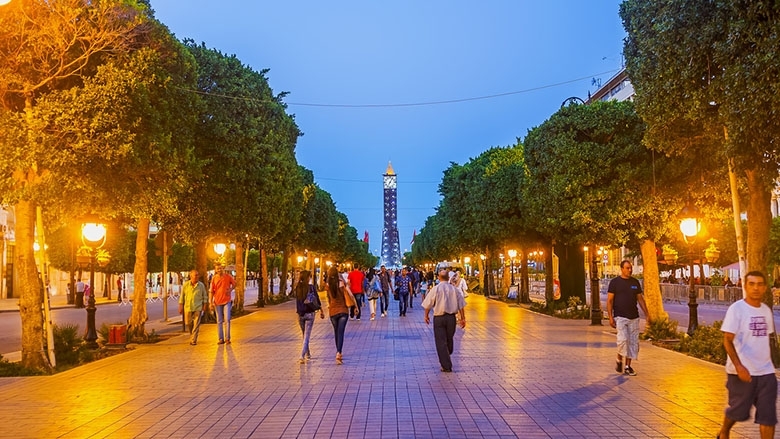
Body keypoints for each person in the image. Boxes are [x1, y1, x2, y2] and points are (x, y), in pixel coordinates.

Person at [718, 270, 777, 439]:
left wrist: (769, 364)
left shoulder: (766, 311)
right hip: (741, 373)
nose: (756, 288)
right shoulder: (737, 309)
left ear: (765, 287)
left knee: (768, 417)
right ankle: (724, 431)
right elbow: (727, 340)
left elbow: (764, 339)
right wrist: (739, 366)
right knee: (738, 412)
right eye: (751, 284)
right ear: (744, 286)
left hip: (766, 373)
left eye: (759, 284)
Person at [606, 260, 650, 376]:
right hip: (620, 316)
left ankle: (627, 366)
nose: (629, 270)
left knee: (632, 341)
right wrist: (610, 317)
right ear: (622, 269)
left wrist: (646, 313)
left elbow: (640, 299)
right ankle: (619, 358)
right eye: (627, 268)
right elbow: (610, 301)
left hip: (633, 317)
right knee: (623, 339)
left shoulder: (635, 282)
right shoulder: (615, 283)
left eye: (630, 268)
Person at [422, 269, 466, 372]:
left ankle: (446, 362)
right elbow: (461, 305)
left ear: (438, 277)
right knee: (449, 338)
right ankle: (447, 361)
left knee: (441, 341)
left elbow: (428, 303)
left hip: (439, 318)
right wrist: (463, 318)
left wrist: (426, 315)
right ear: (448, 278)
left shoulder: (436, 289)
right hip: (451, 318)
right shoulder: (454, 290)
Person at [295, 270, 324, 364]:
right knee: (306, 336)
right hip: (310, 313)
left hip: (300, 314)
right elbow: (317, 299)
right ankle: (302, 355)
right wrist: (321, 309)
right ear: (308, 278)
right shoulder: (311, 288)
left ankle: (308, 354)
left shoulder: (298, 287)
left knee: (304, 335)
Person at [324, 266, 351, 364]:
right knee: (341, 332)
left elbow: (328, 298)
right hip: (343, 310)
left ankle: (338, 351)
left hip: (333, 311)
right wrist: (355, 305)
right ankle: (339, 352)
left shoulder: (328, 285)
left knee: (336, 332)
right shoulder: (341, 283)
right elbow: (349, 294)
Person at [179, 269, 208, 346]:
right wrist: (181, 306)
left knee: (196, 324)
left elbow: (205, 296)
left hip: (198, 307)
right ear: (191, 276)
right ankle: (192, 334)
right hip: (188, 307)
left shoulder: (201, 285)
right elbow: (182, 296)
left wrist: (205, 305)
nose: (197, 276)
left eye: (198, 275)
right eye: (195, 275)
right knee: (188, 323)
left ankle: (193, 339)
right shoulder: (186, 285)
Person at [210, 263, 236, 345]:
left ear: (223, 268)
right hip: (217, 302)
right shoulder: (214, 278)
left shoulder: (228, 277)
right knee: (219, 320)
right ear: (215, 270)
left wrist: (230, 289)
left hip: (226, 301)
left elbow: (234, 284)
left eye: (220, 268)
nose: (219, 270)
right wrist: (210, 302)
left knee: (227, 319)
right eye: (217, 269)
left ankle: (227, 338)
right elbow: (211, 291)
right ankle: (221, 338)